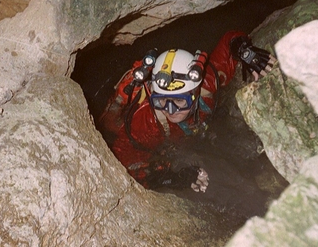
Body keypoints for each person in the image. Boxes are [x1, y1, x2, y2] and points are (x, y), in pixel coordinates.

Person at [100, 30, 275, 192]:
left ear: (195, 92)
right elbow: (121, 165)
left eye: (179, 100)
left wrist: (246, 53)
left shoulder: (207, 84)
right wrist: (173, 178)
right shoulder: (146, 123)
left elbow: (229, 41)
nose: (170, 110)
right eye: (162, 100)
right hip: (153, 139)